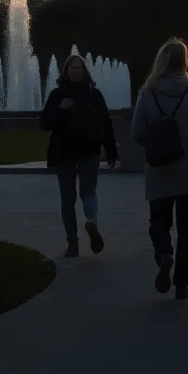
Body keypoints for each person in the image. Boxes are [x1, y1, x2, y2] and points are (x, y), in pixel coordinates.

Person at [131, 38, 188, 300]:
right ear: (184, 61)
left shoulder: (147, 93)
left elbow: (137, 132)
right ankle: (182, 283)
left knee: (158, 221)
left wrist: (155, 143)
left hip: (160, 169)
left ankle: (163, 254)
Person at [40, 54, 119, 257]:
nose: (74, 71)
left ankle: (85, 228)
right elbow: (44, 123)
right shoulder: (58, 96)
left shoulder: (93, 94)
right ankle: (78, 235)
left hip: (86, 149)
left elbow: (105, 123)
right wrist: (60, 109)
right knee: (71, 198)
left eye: (78, 67)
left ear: (84, 71)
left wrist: (111, 151)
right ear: (65, 71)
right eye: (71, 68)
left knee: (84, 193)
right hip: (66, 151)